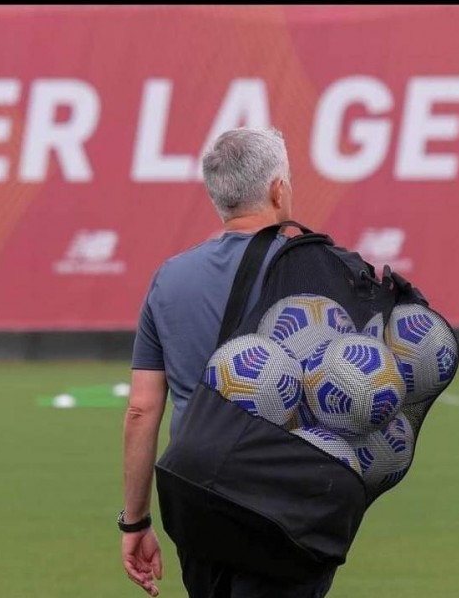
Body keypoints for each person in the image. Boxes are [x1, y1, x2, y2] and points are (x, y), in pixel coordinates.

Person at [120, 127, 338, 598]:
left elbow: (141, 410)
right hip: (287, 500)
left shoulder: (170, 278)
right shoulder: (318, 269)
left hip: (196, 495)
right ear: (278, 188)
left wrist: (134, 519)